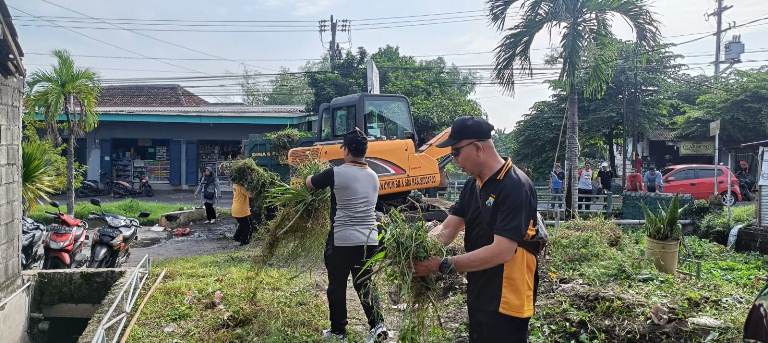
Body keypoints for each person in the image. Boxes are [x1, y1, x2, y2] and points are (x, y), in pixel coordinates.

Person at [413, 116, 539, 343]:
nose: (454, 160)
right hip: (480, 285)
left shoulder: (515, 186)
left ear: (478, 147)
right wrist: (417, 247)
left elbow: (502, 251)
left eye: (456, 152)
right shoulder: (473, 185)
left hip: (508, 294)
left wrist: (441, 265)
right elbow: (447, 229)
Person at [305, 128, 388, 343]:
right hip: (370, 240)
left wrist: (308, 175)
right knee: (365, 282)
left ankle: (338, 332)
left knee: (337, 285)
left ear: (347, 149)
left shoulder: (336, 172)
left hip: (342, 239)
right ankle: (377, 325)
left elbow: (310, 183)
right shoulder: (373, 176)